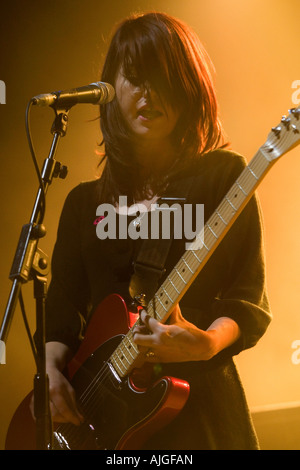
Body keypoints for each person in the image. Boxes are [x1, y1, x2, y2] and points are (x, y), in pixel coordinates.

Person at [33, 11, 272, 450]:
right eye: (137, 77)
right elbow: (62, 313)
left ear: (190, 88)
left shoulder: (223, 176)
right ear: (111, 90)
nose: (149, 93)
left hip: (198, 415)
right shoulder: (84, 203)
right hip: (101, 424)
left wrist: (203, 344)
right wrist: (49, 374)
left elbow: (246, 299)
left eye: (165, 79)